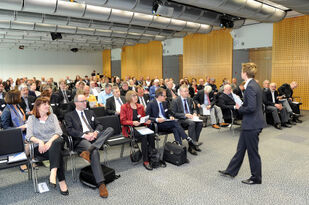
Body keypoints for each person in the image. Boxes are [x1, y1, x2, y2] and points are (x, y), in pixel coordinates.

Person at [219, 62, 266, 185]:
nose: (241, 73)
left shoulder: (250, 87)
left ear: (244, 73)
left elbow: (250, 107)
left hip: (252, 124)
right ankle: (231, 170)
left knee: (252, 153)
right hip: (251, 123)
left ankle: (256, 178)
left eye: (241, 71)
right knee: (240, 149)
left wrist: (239, 108)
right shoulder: (255, 84)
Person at [65, 94, 114, 198]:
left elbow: (99, 125)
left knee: (110, 129)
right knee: (95, 152)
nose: (85, 103)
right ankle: (101, 184)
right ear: (76, 103)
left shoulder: (90, 112)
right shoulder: (69, 115)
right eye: (82, 101)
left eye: (85, 101)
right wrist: (84, 136)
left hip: (94, 136)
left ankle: (90, 149)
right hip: (81, 139)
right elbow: (70, 130)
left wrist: (95, 133)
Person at [26, 97, 69, 195]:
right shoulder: (31, 118)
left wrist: (49, 142)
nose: (48, 106)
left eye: (48, 104)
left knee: (57, 143)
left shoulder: (53, 116)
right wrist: (40, 142)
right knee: (58, 155)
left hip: (54, 142)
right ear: (37, 107)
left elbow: (59, 132)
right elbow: (29, 136)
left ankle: (53, 173)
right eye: (44, 104)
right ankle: (61, 181)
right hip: (40, 148)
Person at [146, 88, 199, 155]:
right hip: (157, 124)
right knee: (175, 122)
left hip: (166, 122)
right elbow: (147, 117)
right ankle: (187, 138)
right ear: (159, 96)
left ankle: (179, 148)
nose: (165, 97)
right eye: (164, 96)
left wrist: (170, 116)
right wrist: (156, 119)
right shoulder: (151, 103)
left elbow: (168, 113)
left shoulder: (165, 103)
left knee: (175, 128)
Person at [120, 90, 156, 170]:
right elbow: (122, 121)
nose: (136, 97)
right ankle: (146, 161)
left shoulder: (140, 106)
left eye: (136, 95)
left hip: (141, 127)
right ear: (129, 98)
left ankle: (152, 156)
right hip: (131, 129)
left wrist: (147, 121)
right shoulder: (124, 107)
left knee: (151, 134)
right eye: (133, 96)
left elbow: (143, 118)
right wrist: (132, 122)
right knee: (144, 137)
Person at [171, 85, 203, 155]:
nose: (187, 92)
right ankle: (191, 146)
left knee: (200, 123)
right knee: (192, 123)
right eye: (185, 91)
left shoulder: (190, 99)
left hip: (191, 117)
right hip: (181, 119)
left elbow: (194, 109)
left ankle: (195, 142)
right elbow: (173, 113)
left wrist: (194, 113)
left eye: (187, 91)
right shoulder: (175, 100)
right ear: (180, 92)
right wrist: (185, 115)